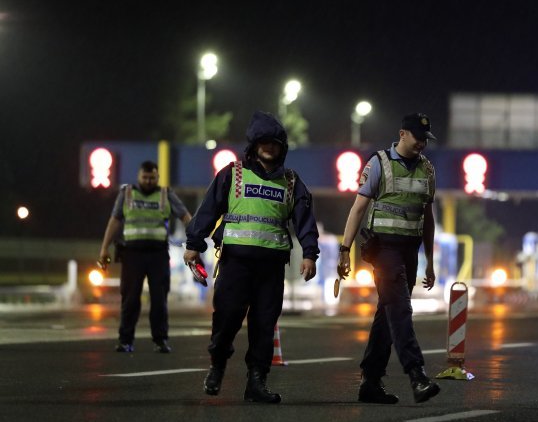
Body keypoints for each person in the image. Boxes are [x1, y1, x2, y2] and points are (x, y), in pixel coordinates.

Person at [183, 111, 320, 404]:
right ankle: (217, 365)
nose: (270, 147)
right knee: (227, 319)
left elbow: (305, 221)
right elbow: (208, 210)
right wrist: (194, 243)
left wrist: (310, 254)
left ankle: (256, 383)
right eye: (264, 142)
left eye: (276, 143)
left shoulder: (292, 182)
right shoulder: (232, 174)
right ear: (254, 145)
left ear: (282, 147)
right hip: (236, 264)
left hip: (271, 268)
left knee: (264, 324)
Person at [337, 113, 441, 404]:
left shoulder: (427, 170)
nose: (422, 143)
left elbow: (428, 218)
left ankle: (370, 381)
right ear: (402, 134)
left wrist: (430, 261)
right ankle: (416, 374)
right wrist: (345, 250)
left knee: (387, 314)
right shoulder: (379, 163)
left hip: (410, 251)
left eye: (425, 139)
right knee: (401, 309)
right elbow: (358, 208)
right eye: (417, 137)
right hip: (383, 250)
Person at [98, 160, 192, 354]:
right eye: (145, 177)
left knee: (159, 299)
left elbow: (185, 216)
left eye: (152, 177)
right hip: (132, 254)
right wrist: (104, 248)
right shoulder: (127, 193)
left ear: (157, 177)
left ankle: (160, 340)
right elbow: (115, 221)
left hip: (157, 254)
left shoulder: (166, 194)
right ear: (138, 177)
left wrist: (195, 239)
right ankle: (125, 341)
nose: (148, 181)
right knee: (130, 299)